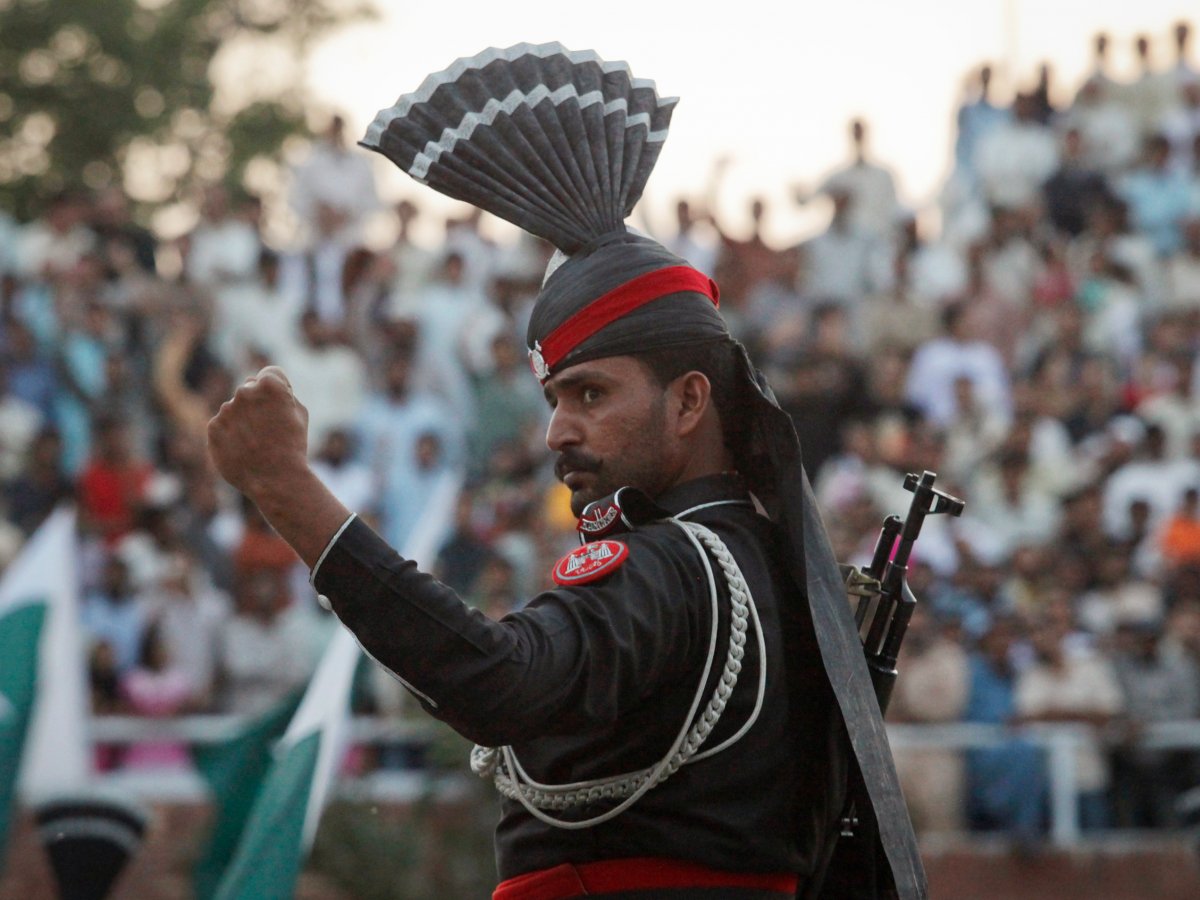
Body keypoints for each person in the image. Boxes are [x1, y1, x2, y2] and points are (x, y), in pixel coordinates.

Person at [207, 45, 924, 899]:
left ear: (689, 402)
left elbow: (500, 681)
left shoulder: (676, 566)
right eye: (553, 398)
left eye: (590, 394)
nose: (557, 431)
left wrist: (287, 490)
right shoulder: (765, 561)